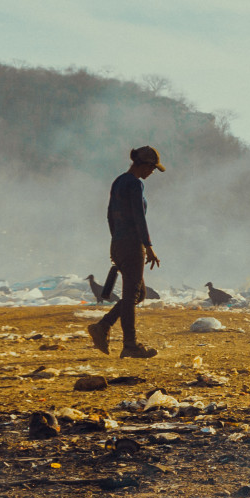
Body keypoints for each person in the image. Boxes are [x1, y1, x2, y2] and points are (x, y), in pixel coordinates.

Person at [88, 146, 165, 358]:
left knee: (138, 293)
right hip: (132, 245)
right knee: (132, 295)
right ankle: (129, 344)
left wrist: (116, 241)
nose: (152, 173)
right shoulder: (135, 184)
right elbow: (139, 217)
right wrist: (148, 246)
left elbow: (110, 215)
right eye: (152, 168)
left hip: (119, 243)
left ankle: (103, 326)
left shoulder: (119, 181)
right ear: (145, 165)